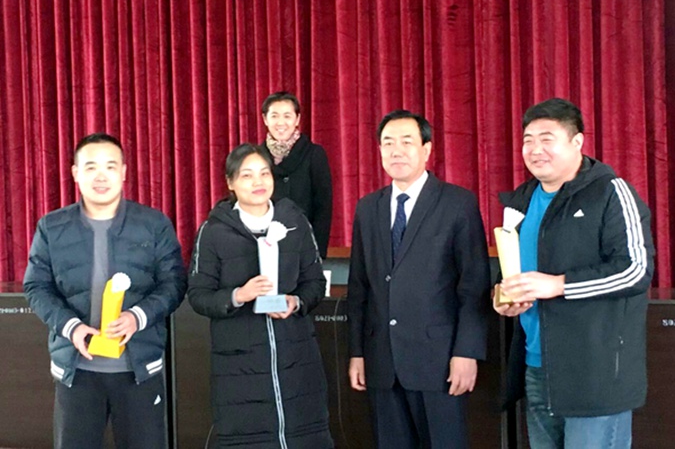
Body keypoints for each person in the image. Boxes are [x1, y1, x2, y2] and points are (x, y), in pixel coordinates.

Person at [495, 98, 654, 449]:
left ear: (577, 141)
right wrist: (505, 298)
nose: (535, 149)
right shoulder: (522, 199)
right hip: (537, 367)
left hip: (594, 373)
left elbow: (635, 270)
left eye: (547, 139)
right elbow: (515, 269)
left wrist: (558, 285)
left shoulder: (611, 191)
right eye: (528, 140)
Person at [23, 133, 187, 449]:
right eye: (91, 167)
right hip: (76, 370)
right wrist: (71, 327)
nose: (101, 176)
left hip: (139, 369)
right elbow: (36, 286)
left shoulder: (153, 224)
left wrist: (137, 317)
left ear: (124, 172)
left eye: (110, 166)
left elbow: (174, 283)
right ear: (75, 173)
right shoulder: (52, 227)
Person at [347, 110, 491, 448]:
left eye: (406, 142)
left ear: (426, 149)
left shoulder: (457, 203)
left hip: (439, 362)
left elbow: (473, 285)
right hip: (382, 361)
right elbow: (359, 287)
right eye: (388, 143)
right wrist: (357, 352)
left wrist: (467, 352)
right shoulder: (368, 208)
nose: (396, 151)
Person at [187, 143, 333, 448]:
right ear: (230, 182)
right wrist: (239, 295)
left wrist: (296, 302)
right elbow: (198, 295)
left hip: (296, 358)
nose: (258, 182)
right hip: (239, 365)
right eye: (247, 175)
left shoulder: (294, 222)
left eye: (264, 173)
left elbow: (315, 283)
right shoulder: (213, 231)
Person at [260, 91, 333, 258]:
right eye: (274, 116)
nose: (281, 123)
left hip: (302, 245)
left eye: (287, 116)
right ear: (265, 119)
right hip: (265, 245)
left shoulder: (314, 154)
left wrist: (317, 252)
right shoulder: (256, 156)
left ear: (297, 119)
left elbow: (323, 208)